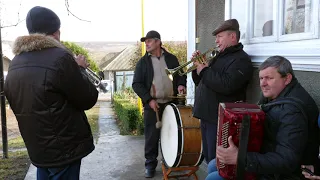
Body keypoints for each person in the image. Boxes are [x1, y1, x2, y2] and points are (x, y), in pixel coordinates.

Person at [4, 6, 98, 180]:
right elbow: (88, 99)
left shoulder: (16, 62)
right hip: (64, 149)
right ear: (56, 32)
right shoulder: (60, 57)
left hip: (38, 149)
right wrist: (81, 69)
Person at [207, 56, 319, 180]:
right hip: (266, 159)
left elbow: (287, 161)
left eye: (269, 78)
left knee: (214, 177)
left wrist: (240, 157)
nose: (263, 84)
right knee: (214, 165)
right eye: (261, 78)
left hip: (283, 174)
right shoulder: (274, 95)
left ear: (287, 78)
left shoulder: (292, 112)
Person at [191, 18, 253, 164]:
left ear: (232, 37)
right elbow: (200, 81)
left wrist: (204, 69)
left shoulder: (241, 60)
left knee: (217, 162)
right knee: (208, 157)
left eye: (219, 37)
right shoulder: (219, 57)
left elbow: (227, 85)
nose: (216, 41)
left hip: (219, 119)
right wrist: (197, 67)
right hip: (206, 115)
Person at [132, 30, 187, 178]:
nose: (146, 44)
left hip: (171, 103)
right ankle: (150, 165)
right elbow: (136, 84)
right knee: (151, 136)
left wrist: (181, 84)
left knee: (171, 134)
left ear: (158, 42)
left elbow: (181, 74)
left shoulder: (171, 58)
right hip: (153, 105)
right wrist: (149, 100)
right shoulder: (143, 63)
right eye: (145, 41)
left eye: (149, 41)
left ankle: (170, 161)